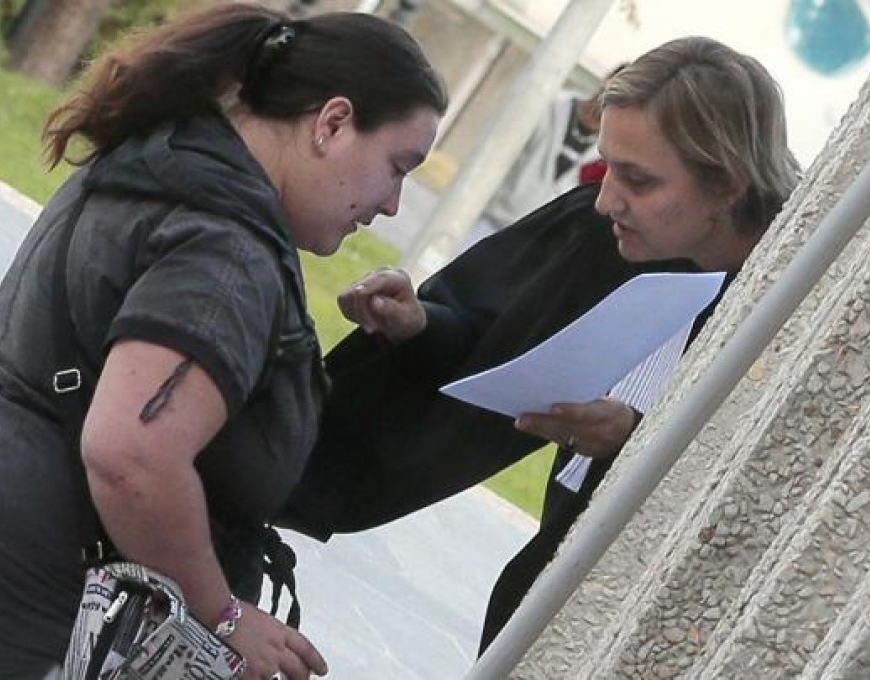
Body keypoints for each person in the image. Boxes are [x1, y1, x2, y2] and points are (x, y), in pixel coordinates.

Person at [0, 4, 446, 679]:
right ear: (333, 123)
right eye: (398, 166)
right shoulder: (226, 252)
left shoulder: (162, 166)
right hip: (2, 618)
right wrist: (221, 614)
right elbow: (132, 453)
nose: (391, 203)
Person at [278, 35, 800, 657]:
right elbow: (500, 331)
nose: (609, 199)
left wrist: (635, 442)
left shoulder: (800, 300)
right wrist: (423, 323)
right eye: (608, 168)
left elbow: (776, 478)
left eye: (638, 180)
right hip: (554, 573)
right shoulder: (604, 228)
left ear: (728, 185)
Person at [481, 64, 627, 233]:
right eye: (617, 85)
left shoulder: (610, 153)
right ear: (606, 79)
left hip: (533, 237)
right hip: (489, 217)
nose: (615, 97)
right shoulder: (550, 106)